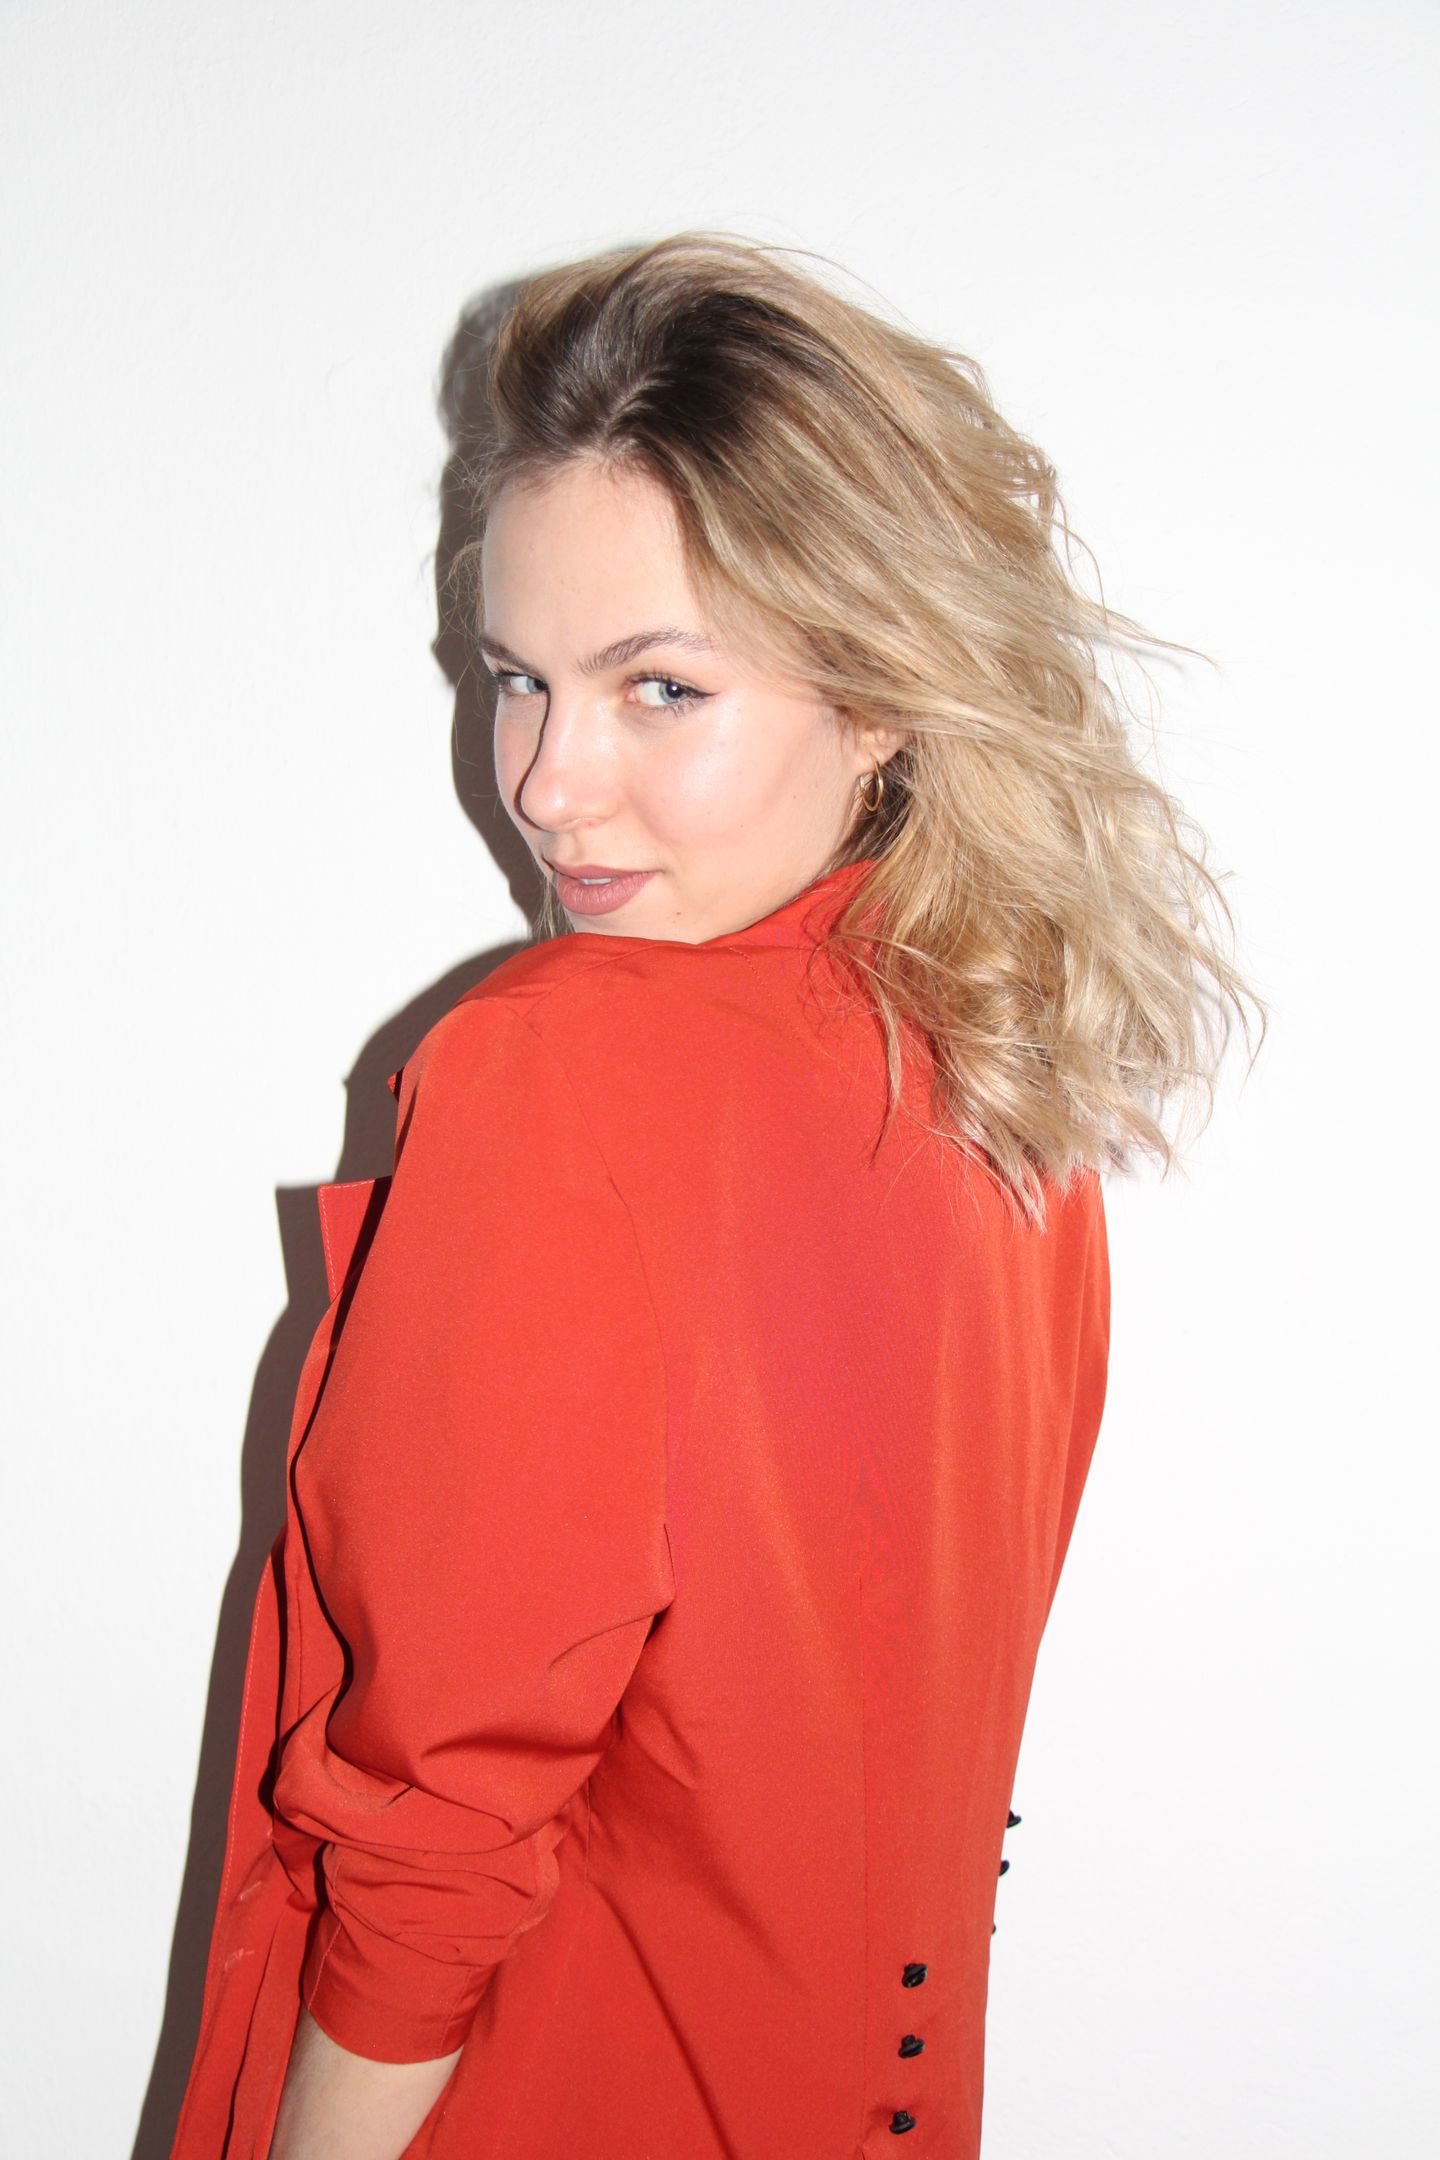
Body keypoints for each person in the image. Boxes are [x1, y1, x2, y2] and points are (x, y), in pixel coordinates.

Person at [169, 231, 1262, 2160]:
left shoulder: (559, 1076)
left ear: (884, 694)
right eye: (517, 680)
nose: (548, 784)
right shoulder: (1004, 1101)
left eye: (659, 687)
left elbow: (439, 1828)